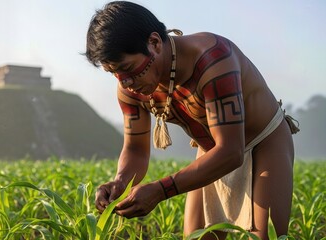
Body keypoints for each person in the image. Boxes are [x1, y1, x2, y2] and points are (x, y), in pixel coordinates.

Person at [84, 1, 299, 239]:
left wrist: (160, 190)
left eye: (128, 68)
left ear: (154, 43)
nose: (125, 82)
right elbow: (135, 149)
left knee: (266, 236)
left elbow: (230, 151)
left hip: (263, 142)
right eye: (113, 72)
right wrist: (120, 181)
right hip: (212, 152)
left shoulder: (212, 61)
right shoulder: (129, 88)